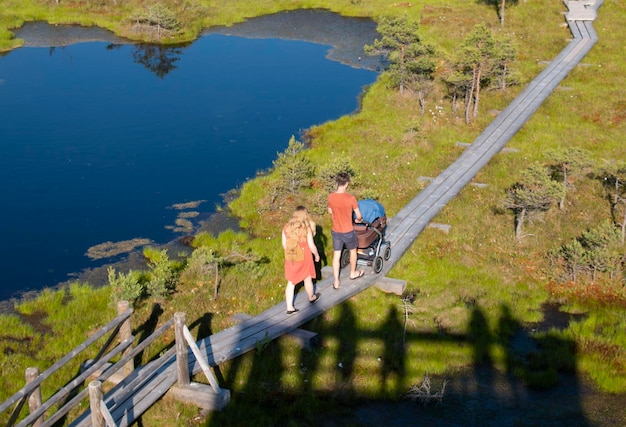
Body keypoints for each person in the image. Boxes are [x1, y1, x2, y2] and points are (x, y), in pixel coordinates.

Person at [327, 172, 364, 289]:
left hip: (336, 231)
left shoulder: (331, 197)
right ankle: (353, 273)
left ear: (337, 182)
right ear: (347, 183)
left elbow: (329, 211)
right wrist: (359, 219)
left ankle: (336, 281)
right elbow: (358, 215)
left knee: (336, 255)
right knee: (353, 251)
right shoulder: (351, 198)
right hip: (348, 230)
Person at [282, 206, 321, 314]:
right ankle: (311, 297)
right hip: (305, 258)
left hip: (291, 258)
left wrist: (291, 253)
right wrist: (317, 255)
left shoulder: (286, 227)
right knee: (307, 278)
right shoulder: (306, 228)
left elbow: (284, 244)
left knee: (291, 282)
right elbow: (312, 246)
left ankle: (289, 307)